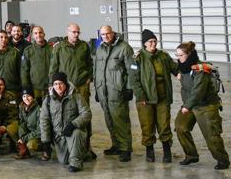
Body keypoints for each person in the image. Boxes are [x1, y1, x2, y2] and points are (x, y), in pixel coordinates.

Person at [174, 41, 230, 169]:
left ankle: (222, 160)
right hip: (190, 105)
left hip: (206, 105)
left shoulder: (200, 69)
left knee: (211, 135)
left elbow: (198, 91)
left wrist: (187, 106)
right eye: (177, 55)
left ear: (189, 54)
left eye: (181, 55)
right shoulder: (183, 66)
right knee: (180, 127)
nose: (178, 58)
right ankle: (191, 155)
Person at [49, 23, 94, 159]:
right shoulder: (59, 48)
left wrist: (89, 77)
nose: (76, 35)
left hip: (82, 86)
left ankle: (86, 146)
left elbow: (90, 63)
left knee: (84, 115)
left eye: (78, 32)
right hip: (65, 87)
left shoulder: (84, 46)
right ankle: (67, 146)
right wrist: (52, 84)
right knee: (65, 114)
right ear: (67, 32)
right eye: (73, 32)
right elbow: (53, 67)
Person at [131, 29, 177, 162]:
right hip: (145, 99)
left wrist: (183, 71)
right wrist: (140, 96)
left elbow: (175, 68)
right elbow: (133, 79)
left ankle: (167, 151)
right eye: (150, 41)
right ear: (144, 43)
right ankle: (149, 151)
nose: (153, 44)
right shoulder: (137, 58)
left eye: (155, 41)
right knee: (147, 125)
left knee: (164, 124)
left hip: (163, 97)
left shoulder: (163, 56)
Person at [93, 25, 134, 161]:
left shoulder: (124, 48)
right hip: (103, 91)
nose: (105, 37)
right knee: (109, 120)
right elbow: (96, 70)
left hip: (117, 91)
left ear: (113, 33)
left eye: (108, 34)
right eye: (103, 35)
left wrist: (129, 88)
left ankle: (125, 149)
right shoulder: (100, 49)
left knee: (120, 120)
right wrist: (97, 89)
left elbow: (132, 69)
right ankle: (116, 145)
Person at [39, 72, 91, 172]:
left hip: (73, 132)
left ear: (65, 84)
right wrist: (45, 141)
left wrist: (73, 124)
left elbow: (86, 113)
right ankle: (84, 153)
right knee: (64, 161)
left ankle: (76, 164)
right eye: (55, 84)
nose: (58, 86)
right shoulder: (48, 100)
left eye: (60, 83)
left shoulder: (76, 96)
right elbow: (44, 121)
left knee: (76, 133)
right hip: (59, 136)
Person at [21, 25, 52, 101]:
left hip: (50, 88)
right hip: (34, 88)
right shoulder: (28, 50)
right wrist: (26, 88)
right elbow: (24, 71)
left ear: (44, 34)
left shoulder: (52, 49)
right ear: (32, 36)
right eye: (35, 33)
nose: (38, 35)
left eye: (40, 32)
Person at [15, 88, 41, 159]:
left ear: (33, 97)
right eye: (24, 96)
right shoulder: (22, 107)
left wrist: (24, 138)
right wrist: (22, 135)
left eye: (28, 96)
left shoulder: (39, 109)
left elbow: (39, 130)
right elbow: (22, 123)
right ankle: (24, 149)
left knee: (31, 145)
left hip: (37, 135)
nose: (26, 98)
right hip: (27, 132)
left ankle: (43, 148)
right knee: (12, 128)